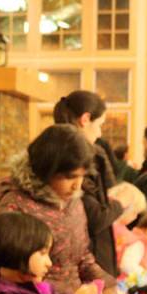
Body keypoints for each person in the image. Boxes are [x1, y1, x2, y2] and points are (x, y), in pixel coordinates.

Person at [0, 124, 116, 294]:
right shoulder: (15, 207)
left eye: (81, 176)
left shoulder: (73, 202)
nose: (77, 185)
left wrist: (107, 284)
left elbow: (81, 256)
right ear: (46, 169)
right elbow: (11, 274)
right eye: (69, 177)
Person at [53, 90, 125, 278]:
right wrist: (121, 203)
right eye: (100, 124)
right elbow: (94, 218)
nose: (100, 133)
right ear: (85, 119)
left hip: (87, 258)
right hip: (84, 261)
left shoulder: (78, 154)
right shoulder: (77, 158)